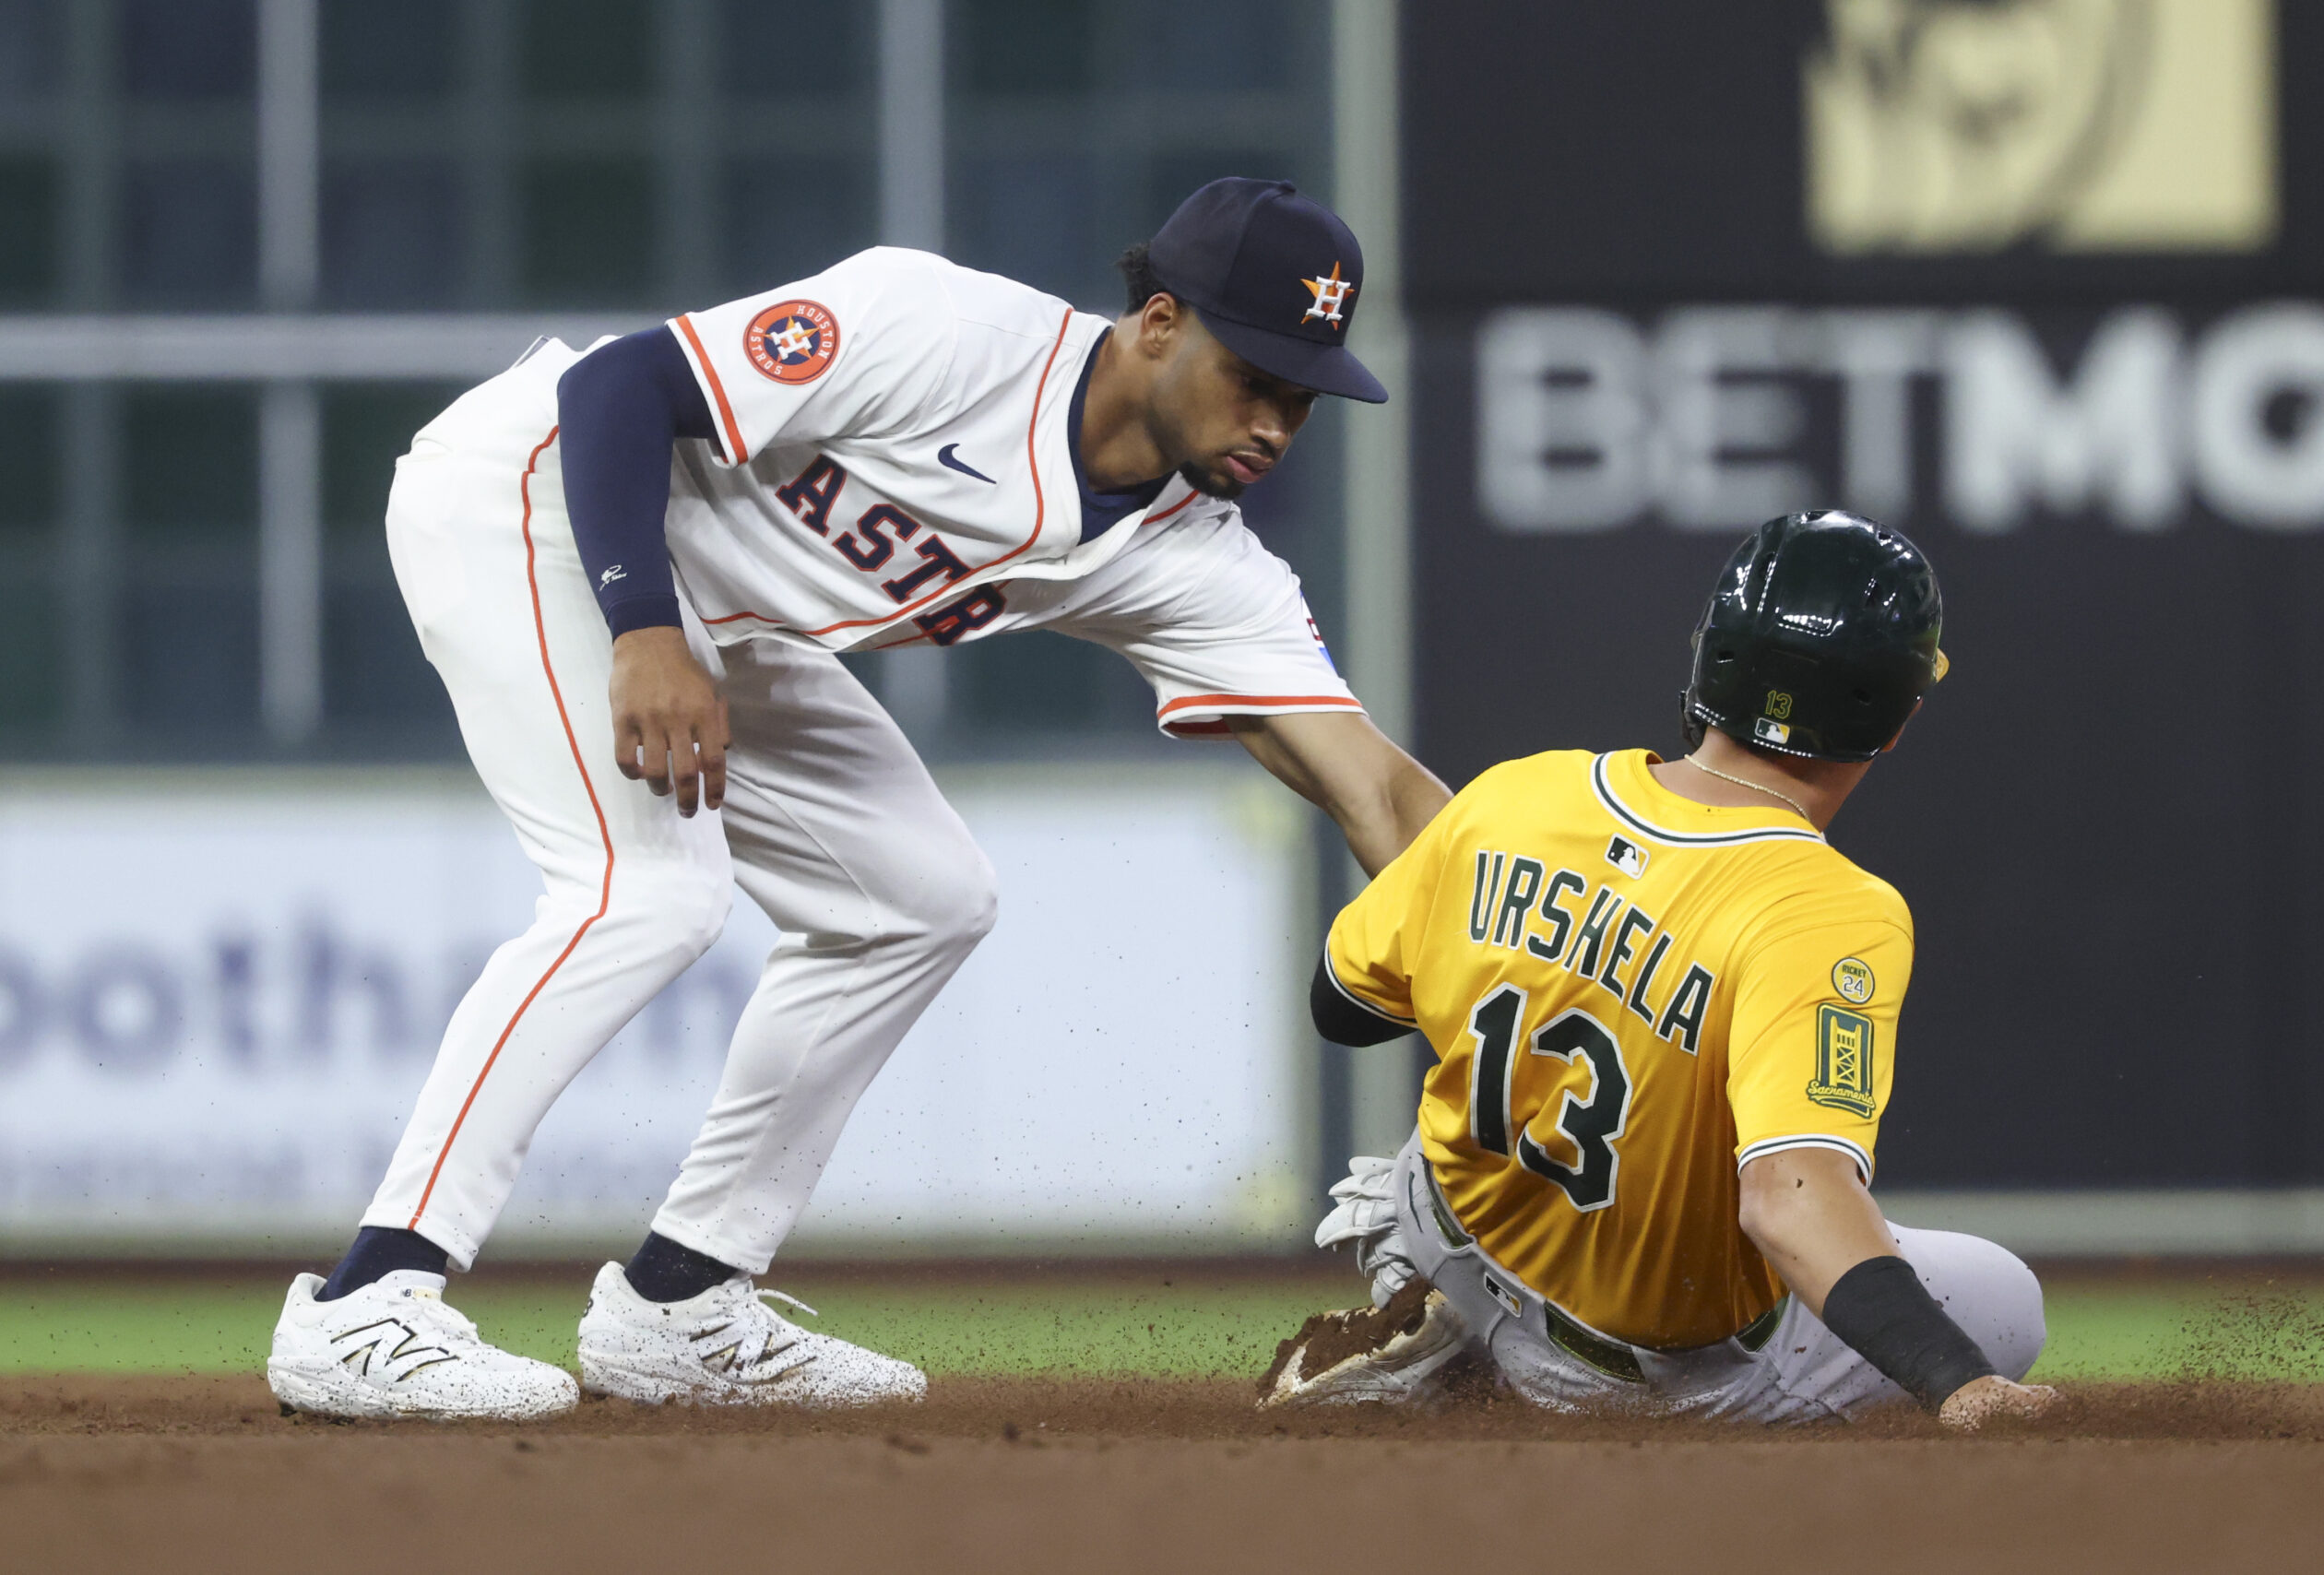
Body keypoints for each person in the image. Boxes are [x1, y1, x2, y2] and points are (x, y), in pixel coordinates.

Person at [265, 178, 1451, 1420]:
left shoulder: (1199, 559)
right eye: (1253, 374)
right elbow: (616, 387)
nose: (1276, 418)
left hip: (720, 612)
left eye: (1303, 395)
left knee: (922, 896)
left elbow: (1374, 785)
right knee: (650, 890)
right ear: (1158, 322)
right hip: (538, 503)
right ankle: (368, 1300)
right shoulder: (945, 332)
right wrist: (641, 629)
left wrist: (1523, 957)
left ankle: (683, 1303)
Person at [1260, 511, 2057, 1428]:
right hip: (1617, 1371)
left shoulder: (1521, 792)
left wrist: (1552, 952)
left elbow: (1343, 1006)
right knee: (2003, 1299)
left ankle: (1439, 1329)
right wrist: (1960, 1384)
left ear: (1709, 658)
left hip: (1430, 1230)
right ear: (1897, 715)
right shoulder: (1825, 905)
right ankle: (1520, 1384)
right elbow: (1789, 1201)